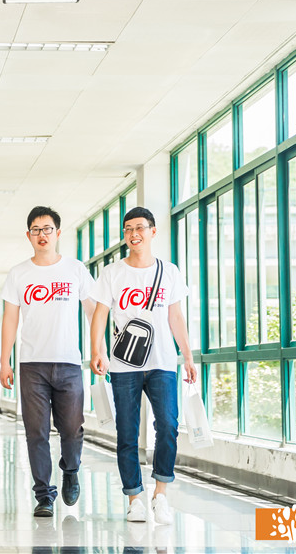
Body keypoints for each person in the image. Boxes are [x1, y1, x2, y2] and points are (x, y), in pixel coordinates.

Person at [89, 207, 197, 524]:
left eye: (139, 228)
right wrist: (97, 350)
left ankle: (160, 494)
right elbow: (100, 314)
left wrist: (187, 355)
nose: (133, 234)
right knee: (127, 433)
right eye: (128, 229)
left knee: (168, 426)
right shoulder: (112, 273)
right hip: (124, 366)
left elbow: (175, 316)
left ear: (152, 231)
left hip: (163, 363)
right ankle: (134, 498)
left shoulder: (169, 271)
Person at [0, 206, 96, 517]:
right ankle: (44, 495)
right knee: (36, 432)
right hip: (32, 365)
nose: (42, 235)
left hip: (69, 363)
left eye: (47, 229)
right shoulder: (19, 273)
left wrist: (99, 350)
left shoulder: (75, 269)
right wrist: (4, 361)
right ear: (28, 235)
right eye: (36, 230)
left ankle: (71, 469)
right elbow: (10, 319)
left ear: (58, 233)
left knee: (72, 428)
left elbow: (93, 312)